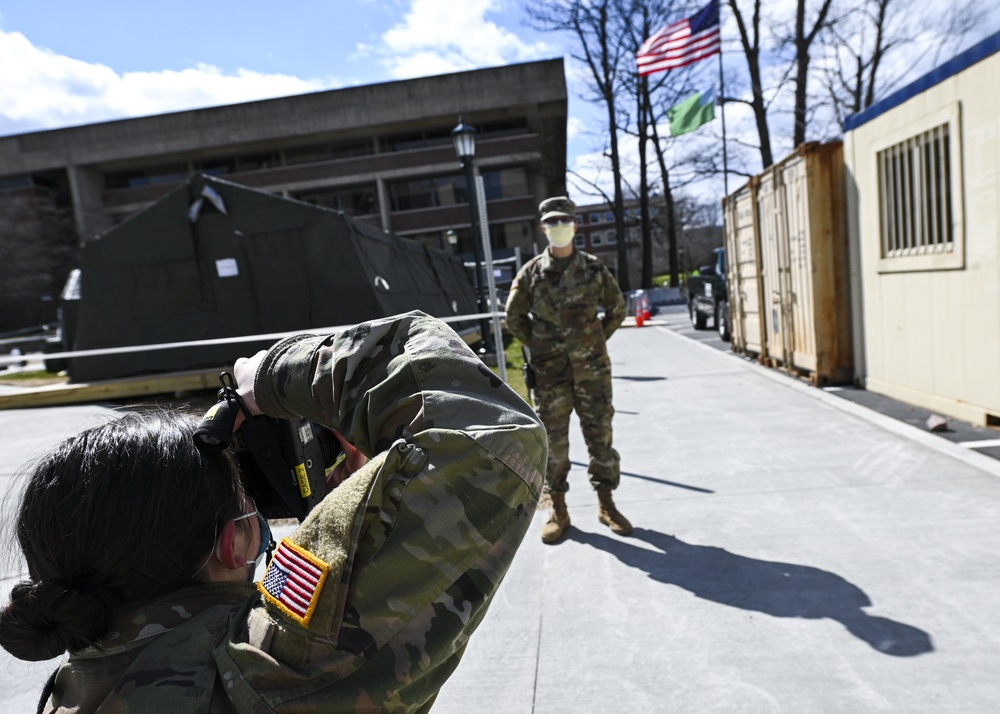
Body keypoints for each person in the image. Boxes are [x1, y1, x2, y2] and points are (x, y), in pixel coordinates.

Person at [0, 311, 546, 713]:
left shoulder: (79, 688)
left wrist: (351, 504)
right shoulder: (266, 668)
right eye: (249, 506)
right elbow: (490, 434)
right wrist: (270, 379)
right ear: (238, 542)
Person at [504, 196, 631, 545]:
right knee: (555, 447)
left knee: (600, 438)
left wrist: (593, 340)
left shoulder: (593, 269)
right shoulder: (530, 274)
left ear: (575, 226)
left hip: (592, 374)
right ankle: (558, 510)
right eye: (552, 223)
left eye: (564, 221)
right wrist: (544, 346)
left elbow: (617, 308)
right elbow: (513, 318)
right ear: (544, 228)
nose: (559, 228)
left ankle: (606, 504)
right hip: (550, 376)